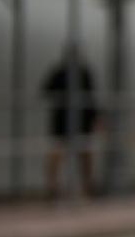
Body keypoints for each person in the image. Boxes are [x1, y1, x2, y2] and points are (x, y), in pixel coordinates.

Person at [41, 45, 99, 198]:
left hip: (80, 123)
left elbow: (91, 98)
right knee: (58, 155)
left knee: (84, 155)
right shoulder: (60, 73)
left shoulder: (83, 73)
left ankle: (87, 187)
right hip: (63, 123)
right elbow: (45, 91)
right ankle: (53, 189)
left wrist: (96, 119)